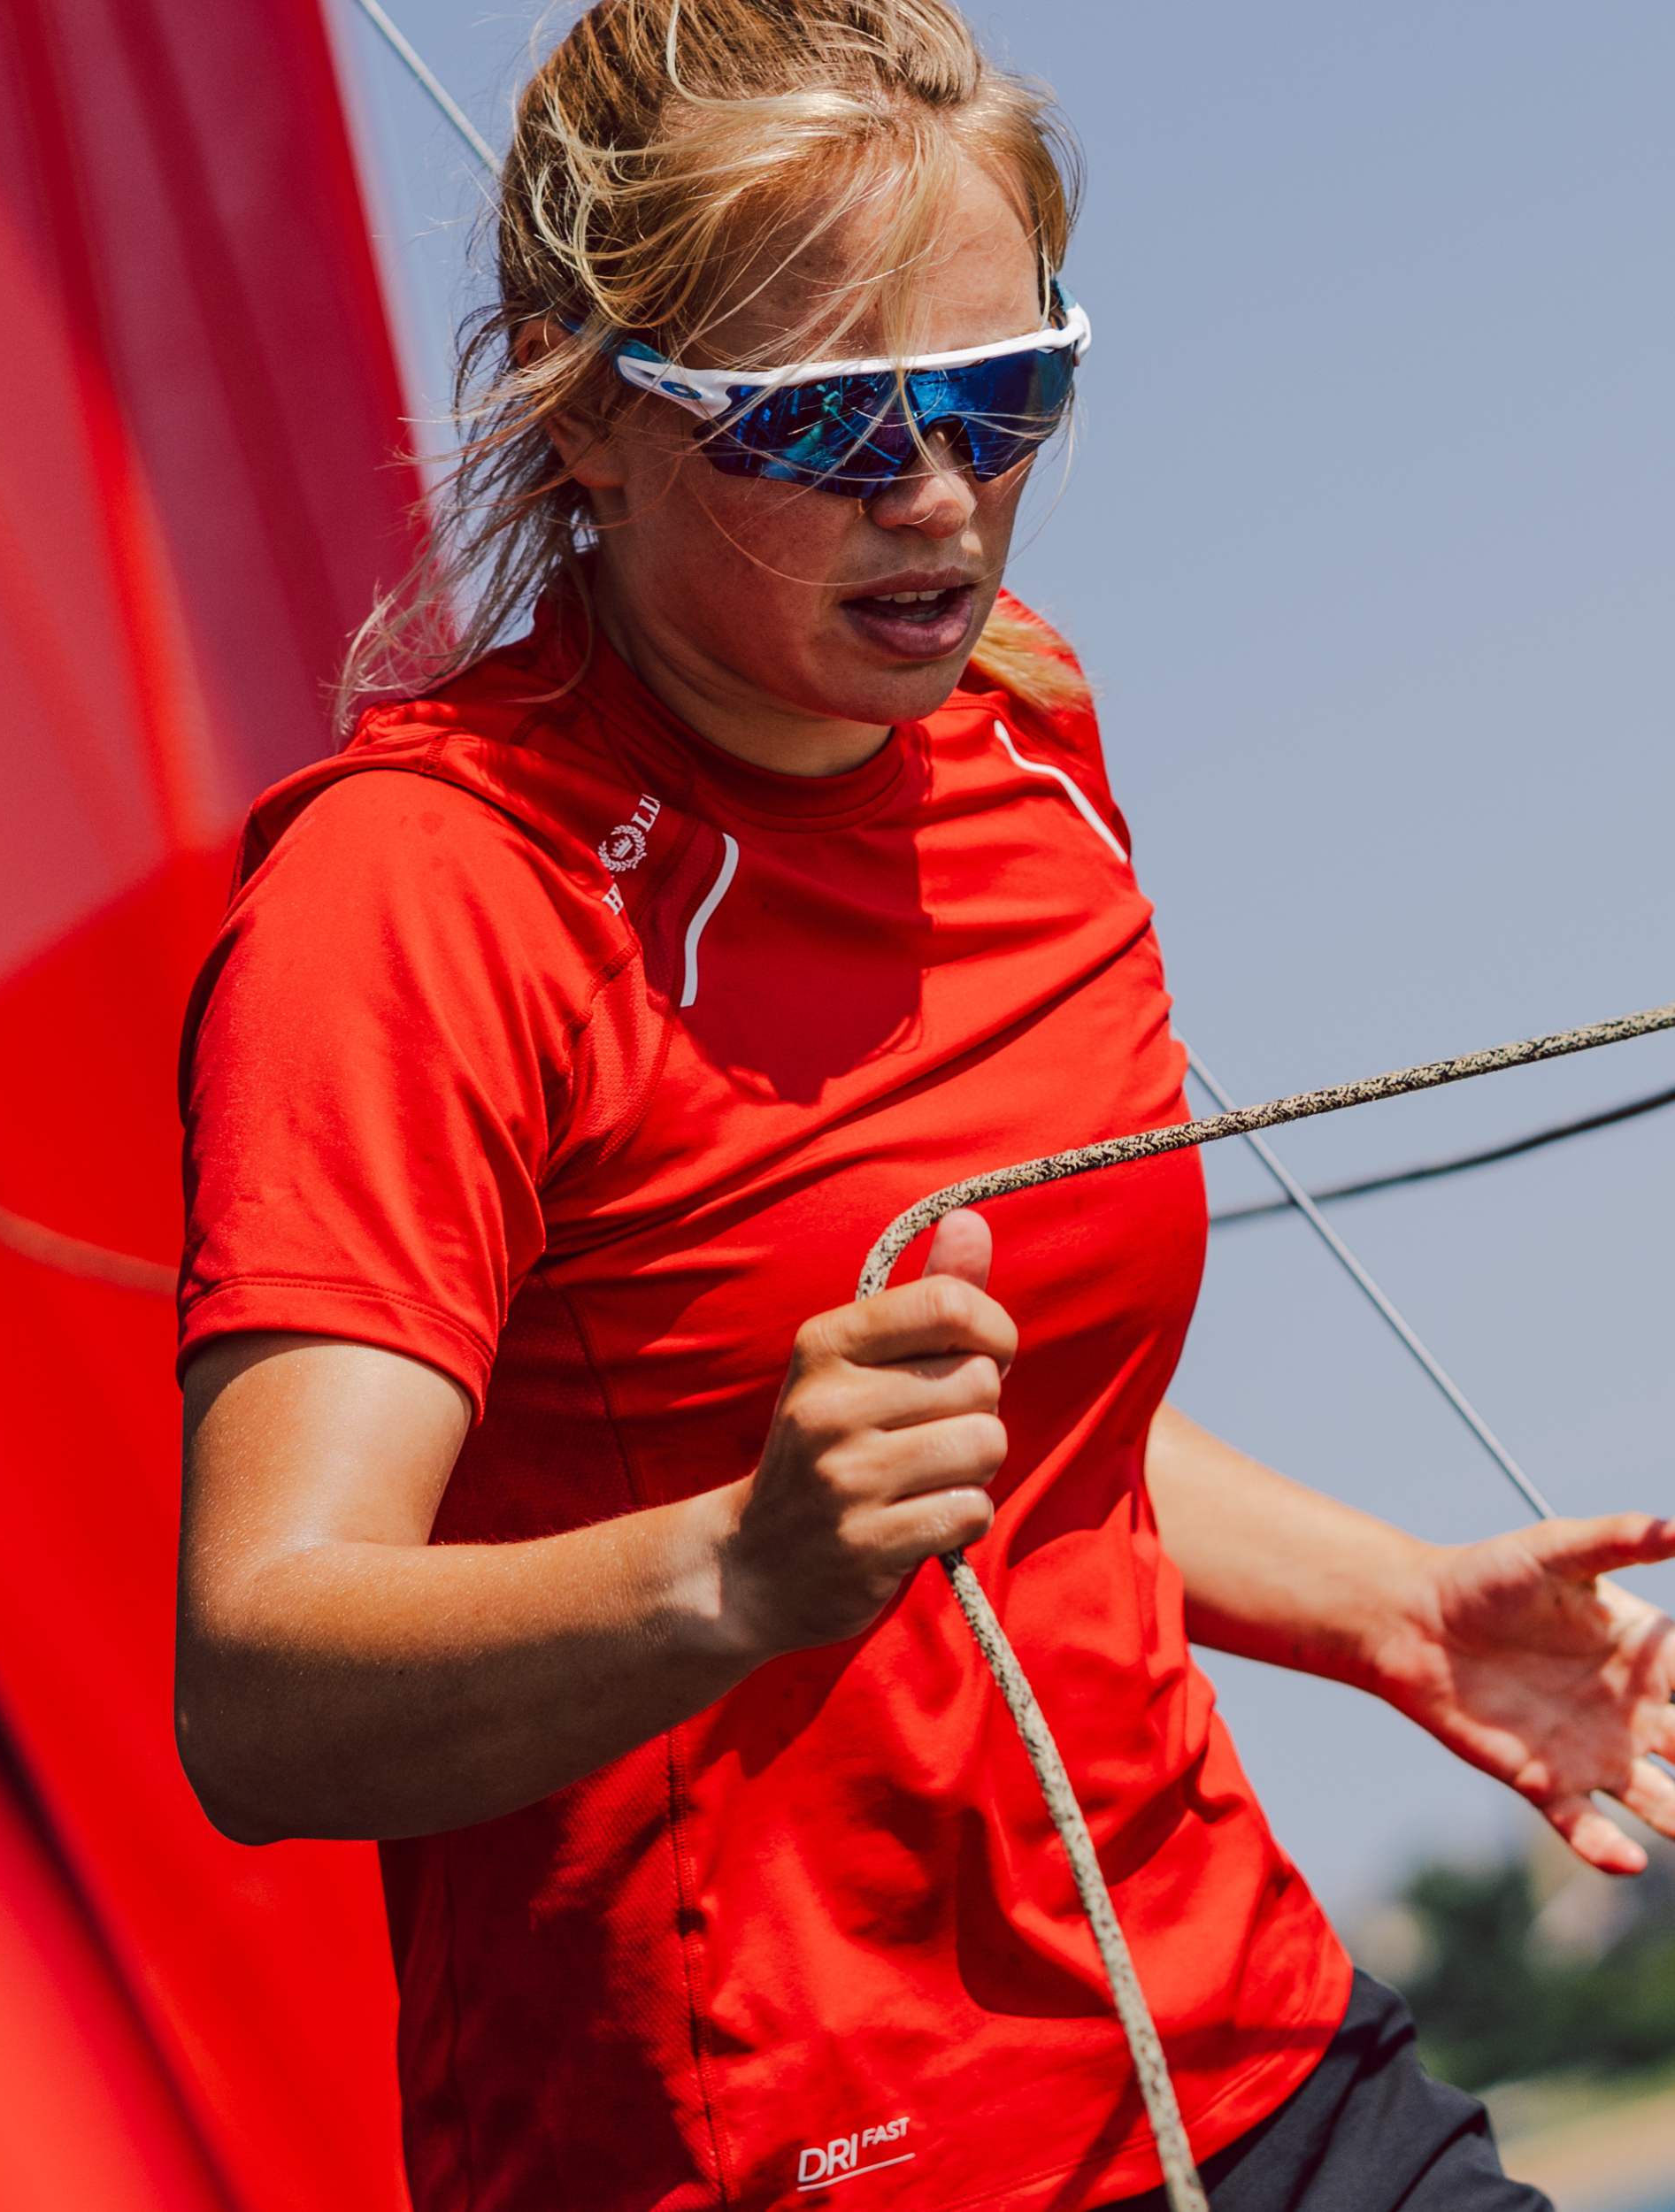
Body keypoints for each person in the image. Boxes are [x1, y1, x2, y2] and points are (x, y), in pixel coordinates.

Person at [173, 4, 1675, 2207]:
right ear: (588, 415)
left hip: (1237, 2042)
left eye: (1004, 394)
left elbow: (993, 1412)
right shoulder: (418, 894)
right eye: (826, 422)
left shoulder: (1024, 719)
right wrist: (730, 1567)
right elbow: (260, 1681)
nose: (942, 495)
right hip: (789, 2156)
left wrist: (1384, 1601)